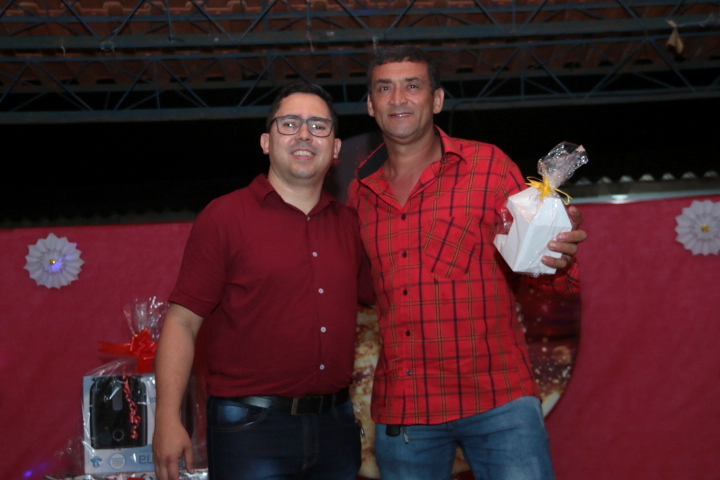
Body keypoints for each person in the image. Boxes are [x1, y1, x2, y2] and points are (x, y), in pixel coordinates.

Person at [346, 45, 587, 480]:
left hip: (498, 399)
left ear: (437, 100)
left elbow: (541, 276)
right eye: (384, 88)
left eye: (412, 86)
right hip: (406, 407)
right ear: (370, 105)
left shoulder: (489, 166)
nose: (398, 98)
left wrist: (556, 257)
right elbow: (361, 290)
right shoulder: (359, 193)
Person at [152, 82, 374, 480]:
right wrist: (167, 418)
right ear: (266, 142)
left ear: (335, 148)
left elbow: (392, 298)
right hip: (250, 429)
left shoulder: (351, 225)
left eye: (318, 125)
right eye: (289, 124)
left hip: (337, 426)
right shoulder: (224, 217)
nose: (304, 134)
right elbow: (182, 323)